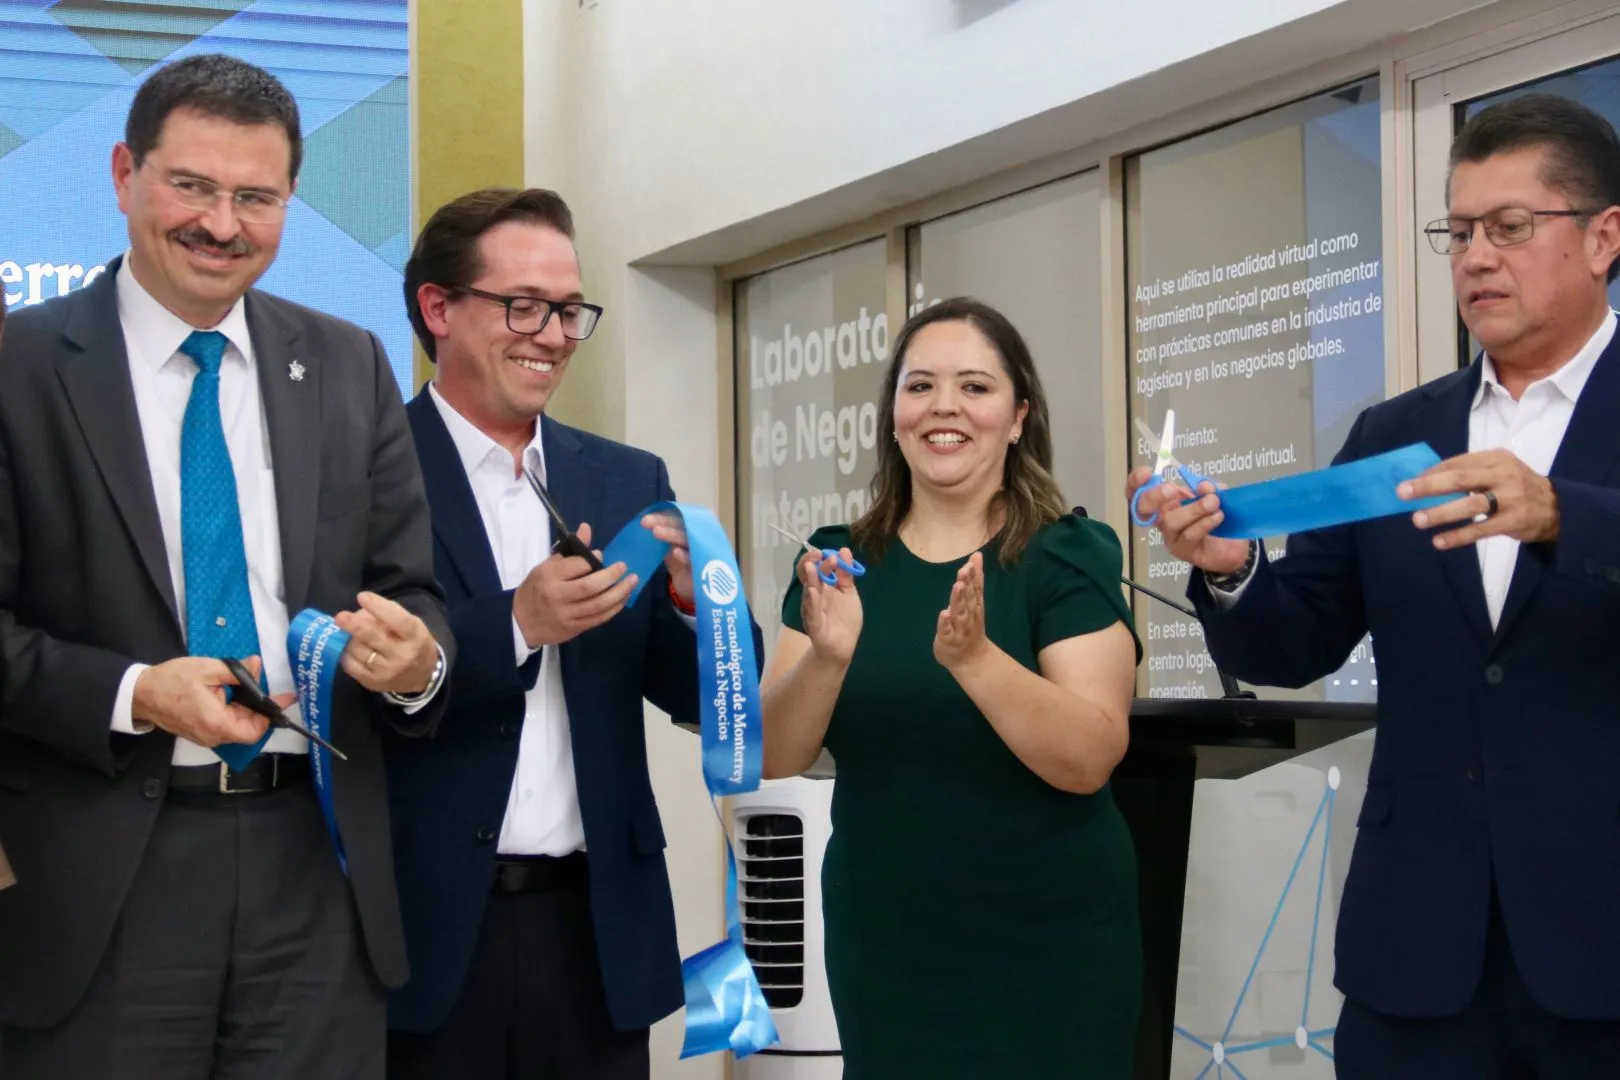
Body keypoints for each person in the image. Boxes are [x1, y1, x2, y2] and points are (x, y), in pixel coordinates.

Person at [1130, 93, 1620, 1077]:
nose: (1476, 258)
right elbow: (1296, 641)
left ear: (1605, 237)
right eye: (1459, 232)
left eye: (1510, 227)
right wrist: (1231, 571)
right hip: (1419, 952)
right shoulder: (1394, 434)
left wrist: (1564, 517)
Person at [0, 54, 452, 1079]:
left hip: (317, 870)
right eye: (192, 186)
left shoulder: (349, 362)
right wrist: (136, 694)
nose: (221, 224)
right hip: (100, 877)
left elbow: (411, 591)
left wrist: (417, 660)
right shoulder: (18, 366)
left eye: (256, 197)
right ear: (125, 175)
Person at [385, 186, 762, 1080]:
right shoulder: (369, 470)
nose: (553, 336)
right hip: (426, 934)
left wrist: (693, 606)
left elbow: (710, 696)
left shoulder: (626, 478)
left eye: (568, 311)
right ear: (437, 308)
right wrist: (517, 622)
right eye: (523, 306)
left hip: (595, 934)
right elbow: (351, 673)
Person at [759, 297, 1143, 1077]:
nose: (944, 407)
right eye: (920, 386)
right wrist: (826, 659)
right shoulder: (838, 562)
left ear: (1018, 416)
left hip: (1053, 955)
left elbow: (1091, 756)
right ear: (893, 415)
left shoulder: (1066, 555)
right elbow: (773, 753)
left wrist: (975, 660)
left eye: (974, 386)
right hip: (886, 950)